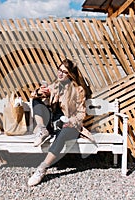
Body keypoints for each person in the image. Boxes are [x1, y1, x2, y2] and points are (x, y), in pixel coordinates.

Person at [28, 58, 90, 186]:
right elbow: (33, 96)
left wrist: (70, 122)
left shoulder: (78, 90)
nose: (60, 73)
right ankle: (41, 129)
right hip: (53, 124)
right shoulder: (55, 85)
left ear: (70, 75)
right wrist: (39, 92)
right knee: (36, 101)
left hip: (70, 126)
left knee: (63, 134)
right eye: (59, 70)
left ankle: (42, 168)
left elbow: (81, 114)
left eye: (64, 72)